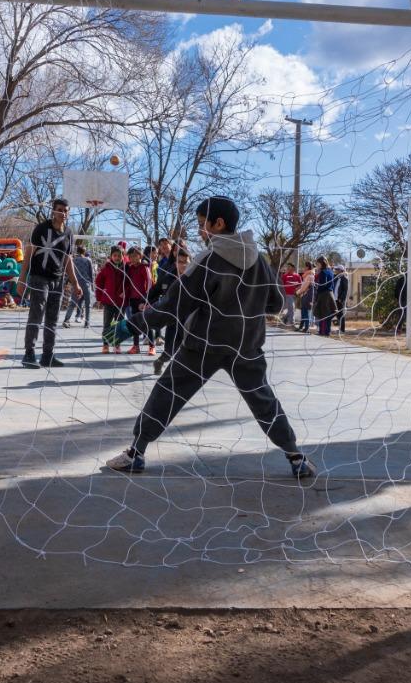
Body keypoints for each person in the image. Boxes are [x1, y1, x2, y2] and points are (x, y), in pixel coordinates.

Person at [103, 196, 315, 479]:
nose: (201, 231)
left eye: (203, 225)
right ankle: (296, 457)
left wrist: (133, 325)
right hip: (246, 345)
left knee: (168, 392)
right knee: (263, 400)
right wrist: (247, 307)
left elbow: (175, 305)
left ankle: (136, 453)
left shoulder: (208, 259)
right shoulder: (259, 260)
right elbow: (276, 303)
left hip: (204, 345)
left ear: (219, 223)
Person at [22, 198, 79, 368]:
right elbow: (29, 253)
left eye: (66, 210)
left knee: (53, 319)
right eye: (60, 209)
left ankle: (47, 355)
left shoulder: (68, 233)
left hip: (58, 280)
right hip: (39, 278)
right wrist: (21, 279)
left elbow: (68, 260)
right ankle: (29, 354)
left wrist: (76, 283)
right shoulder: (41, 228)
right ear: (53, 211)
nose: (63, 213)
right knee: (36, 314)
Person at [153, 245, 191, 376]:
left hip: (190, 319)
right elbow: (156, 289)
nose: (183, 265)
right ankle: (160, 361)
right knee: (170, 348)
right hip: (172, 317)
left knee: (190, 348)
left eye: (185, 262)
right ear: (176, 263)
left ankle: (181, 373)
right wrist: (145, 302)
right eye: (180, 262)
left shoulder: (196, 278)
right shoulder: (168, 276)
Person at [94, 246, 128, 353]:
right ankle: (105, 345)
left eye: (119, 255)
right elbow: (98, 282)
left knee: (119, 324)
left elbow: (130, 284)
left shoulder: (126, 268)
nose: (117, 257)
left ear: (123, 256)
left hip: (120, 302)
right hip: (108, 301)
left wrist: (125, 292)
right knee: (107, 324)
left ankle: (117, 345)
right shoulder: (106, 268)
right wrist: (99, 298)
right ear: (111, 256)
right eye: (115, 255)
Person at [124, 245, 155, 355]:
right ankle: (135, 346)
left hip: (143, 300)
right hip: (133, 300)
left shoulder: (144, 267)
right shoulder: (130, 268)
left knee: (147, 322)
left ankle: (152, 346)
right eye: (131, 256)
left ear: (140, 256)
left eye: (135, 256)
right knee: (135, 323)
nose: (133, 258)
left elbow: (150, 282)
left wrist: (146, 298)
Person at [64, 245, 94, 327]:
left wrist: (66, 281)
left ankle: (66, 320)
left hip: (77, 284)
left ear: (77, 251)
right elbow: (91, 274)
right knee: (88, 304)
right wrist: (93, 287)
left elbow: (69, 272)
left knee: (73, 302)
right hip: (86, 283)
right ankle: (87, 322)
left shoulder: (73, 260)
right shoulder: (88, 260)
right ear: (84, 252)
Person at [313, 256, 336, 336]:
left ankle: (322, 331)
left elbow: (323, 285)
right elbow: (332, 285)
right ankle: (327, 331)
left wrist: (317, 287)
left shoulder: (323, 272)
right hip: (331, 294)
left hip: (324, 295)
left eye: (317, 263)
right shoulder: (331, 271)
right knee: (328, 314)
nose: (317, 265)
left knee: (322, 314)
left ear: (321, 263)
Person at [295, 261, 315, 333]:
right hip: (305, 295)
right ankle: (301, 327)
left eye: (305, 266)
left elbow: (305, 287)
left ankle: (306, 328)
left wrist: (298, 292)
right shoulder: (308, 275)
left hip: (307, 296)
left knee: (305, 312)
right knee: (303, 312)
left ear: (308, 267)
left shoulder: (310, 276)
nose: (304, 268)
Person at [333, 265, 350, 334]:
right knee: (337, 314)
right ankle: (339, 328)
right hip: (335, 298)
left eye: (337, 269)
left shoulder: (344, 278)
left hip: (340, 299)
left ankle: (342, 329)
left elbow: (345, 290)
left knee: (341, 314)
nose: (336, 271)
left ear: (341, 270)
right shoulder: (336, 278)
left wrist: (341, 299)